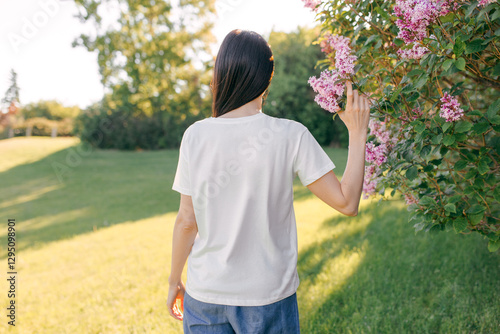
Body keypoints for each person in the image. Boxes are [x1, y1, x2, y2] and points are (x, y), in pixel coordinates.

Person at [167, 29, 371, 333]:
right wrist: (357, 132)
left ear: (221, 73)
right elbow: (347, 202)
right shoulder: (290, 134)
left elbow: (187, 220)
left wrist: (174, 281)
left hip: (205, 295)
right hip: (268, 297)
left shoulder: (195, 135)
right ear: (267, 78)